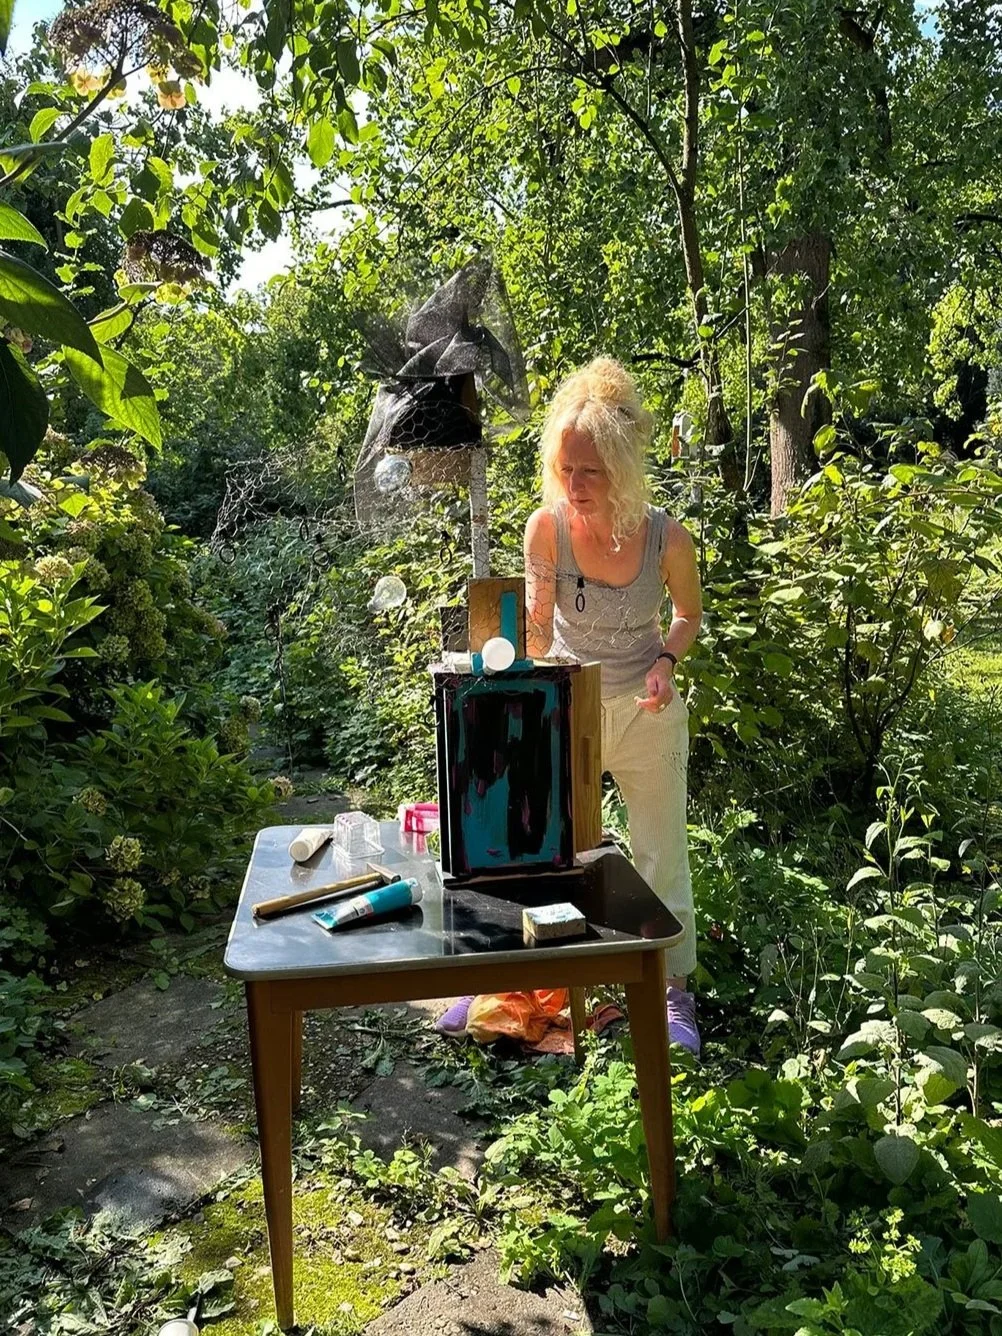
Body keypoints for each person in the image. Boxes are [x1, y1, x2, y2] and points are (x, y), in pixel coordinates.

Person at [436, 356, 702, 1054]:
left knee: (658, 857)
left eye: (591, 471)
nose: (575, 485)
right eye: (565, 470)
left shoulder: (666, 537)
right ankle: (504, 980)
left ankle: (672, 996)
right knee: (533, 854)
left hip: (647, 714)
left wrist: (667, 663)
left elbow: (687, 615)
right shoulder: (545, 529)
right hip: (569, 711)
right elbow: (538, 626)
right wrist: (504, 669)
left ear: (621, 467)